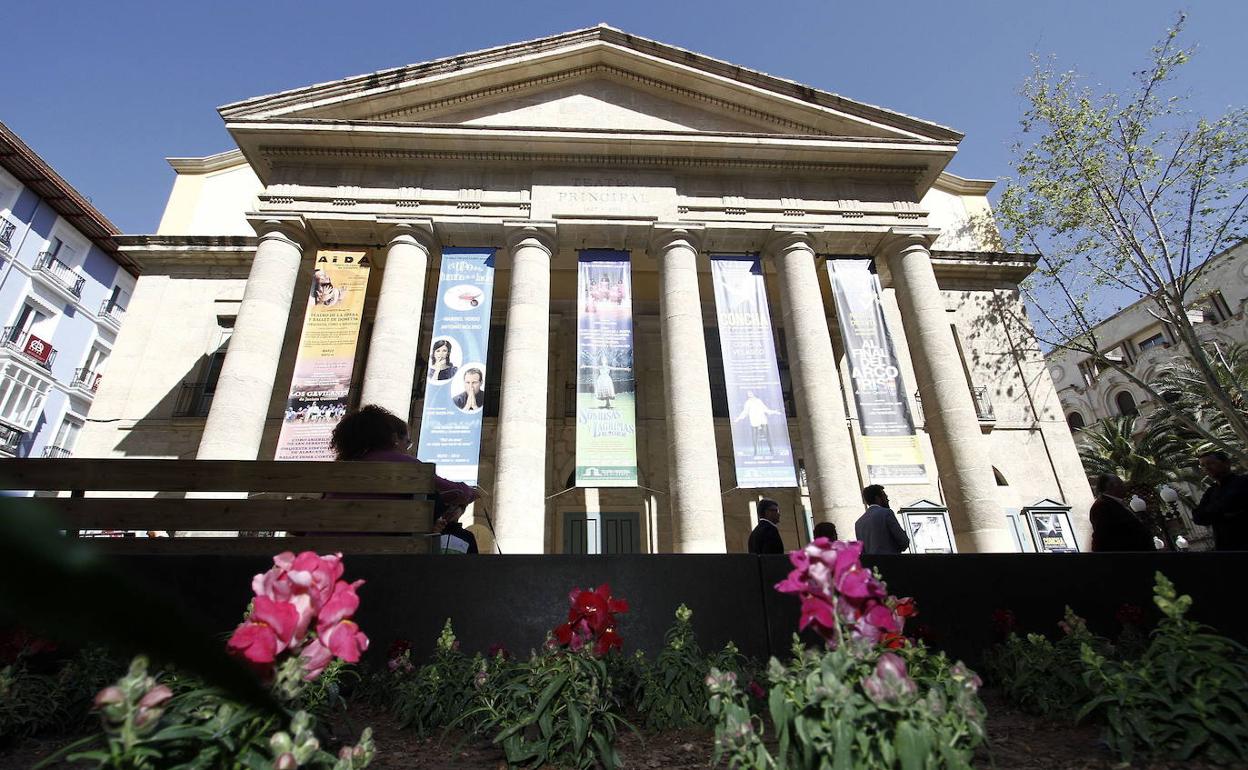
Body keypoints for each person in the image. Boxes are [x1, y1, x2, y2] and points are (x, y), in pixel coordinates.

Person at [327, 404, 478, 539]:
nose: (407, 449)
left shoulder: (339, 468)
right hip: (381, 556)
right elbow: (458, 493)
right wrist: (471, 494)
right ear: (394, 438)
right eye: (407, 442)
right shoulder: (405, 466)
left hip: (323, 553)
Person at [1192, 450, 1248, 551]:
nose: (1207, 468)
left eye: (1210, 463)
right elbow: (1198, 517)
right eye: (1203, 466)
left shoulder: (1243, 482)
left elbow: (1231, 505)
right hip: (1225, 550)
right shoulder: (1211, 491)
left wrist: (1213, 512)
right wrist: (1223, 512)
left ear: (1226, 463)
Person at [1089, 474, 1156, 551]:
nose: (1125, 486)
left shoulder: (1114, 504)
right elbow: (1103, 536)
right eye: (1121, 483)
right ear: (1110, 486)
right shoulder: (1102, 506)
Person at [855, 485, 910, 555]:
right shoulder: (886, 513)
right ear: (877, 498)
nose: (888, 499)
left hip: (872, 565)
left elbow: (862, 552)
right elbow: (904, 541)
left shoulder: (858, 523)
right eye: (885, 496)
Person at [734, 390, 782, 456]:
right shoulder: (747, 403)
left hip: (762, 420)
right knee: (754, 436)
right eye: (748, 393)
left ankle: (771, 449)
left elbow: (765, 409)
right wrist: (738, 418)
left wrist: (775, 412)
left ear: (753, 393)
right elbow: (744, 412)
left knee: (767, 436)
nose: (749, 394)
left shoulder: (758, 401)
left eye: (750, 393)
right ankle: (755, 451)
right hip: (754, 421)